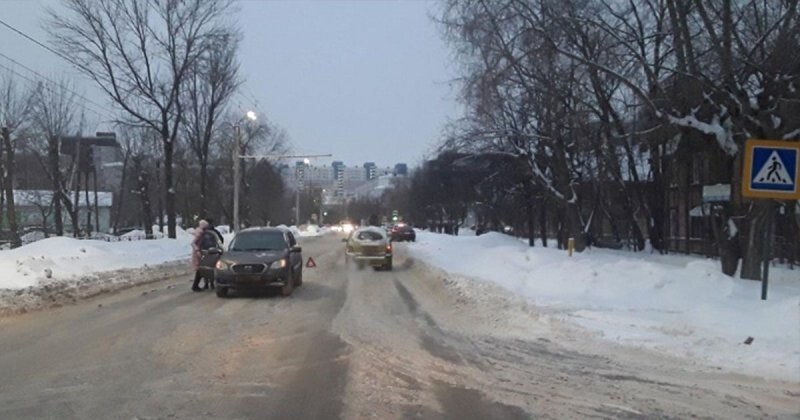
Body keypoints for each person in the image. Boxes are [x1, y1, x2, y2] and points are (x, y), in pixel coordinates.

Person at [191, 220, 215, 291]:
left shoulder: (200, 232)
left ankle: (196, 285)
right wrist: (197, 250)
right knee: (200, 269)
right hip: (198, 253)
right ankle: (195, 286)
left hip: (199, 252)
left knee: (200, 269)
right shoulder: (200, 233)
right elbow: (193, 243)